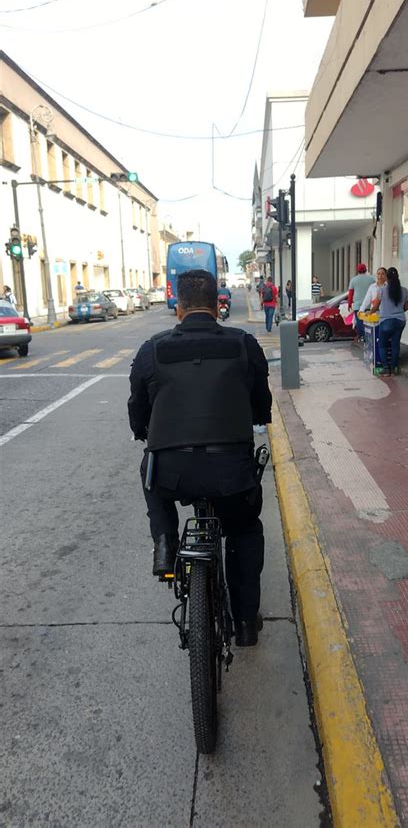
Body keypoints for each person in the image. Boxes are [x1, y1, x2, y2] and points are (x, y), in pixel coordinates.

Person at [128, 269, 272, 647]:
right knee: (243, 530)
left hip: (172, 472)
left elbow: (137, 409)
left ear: (178, 306)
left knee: (149, 469)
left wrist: (145, 431)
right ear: (217, 304)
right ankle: (243, 622)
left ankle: (165, 543)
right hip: (232, 472)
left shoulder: (153, 349)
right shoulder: (243, 344)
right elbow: (262, 404)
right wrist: (253, 416)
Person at [371, 266, 408, 375]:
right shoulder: (405, 290)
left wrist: (370, 313)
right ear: (397, 277)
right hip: (400, 321)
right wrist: (397, 311)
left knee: (382, 344)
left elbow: (375, 306)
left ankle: (386, 368)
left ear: (387, 278)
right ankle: (394, 367)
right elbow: (406, 307)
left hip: (386, 321)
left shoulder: (382, 290)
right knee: (395, 344)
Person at [348, 264, 375, 342]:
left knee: (359, 323)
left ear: (358, 270)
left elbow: (350, 293)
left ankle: (363, 337)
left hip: (358, 306)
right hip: (369, 305)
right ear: (366, 270)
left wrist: (349, 304)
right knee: (369, 323)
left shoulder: (353, 280)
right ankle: (369, 337)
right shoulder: (372, 279)